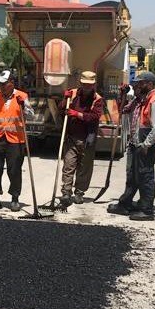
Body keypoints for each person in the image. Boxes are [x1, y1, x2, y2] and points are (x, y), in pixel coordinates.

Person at [107, 71, 155, 221]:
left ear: (150, 84)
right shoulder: (140, 100)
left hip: (145, 144)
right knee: (132, 176)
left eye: (141, 83)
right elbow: (123, 111)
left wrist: (146, 145)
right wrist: (122, 94)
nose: (137, 86)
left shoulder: (154, 102)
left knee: (145, 176)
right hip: (135, 143)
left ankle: (146, 210)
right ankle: (125, 204)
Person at [0, 70, 34, 212]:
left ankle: (15, 199)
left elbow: (31, 115)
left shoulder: (22, 96)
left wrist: (23, 105)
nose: (1, 86)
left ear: (12, 83)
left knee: (14, 170)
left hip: (16, 140)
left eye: (4, 83)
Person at [58, 70, 103, 208]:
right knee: (68, 165)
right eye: (84, 84)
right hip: (72, 136)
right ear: (81, 83)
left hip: (88, 138)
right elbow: (61, 110)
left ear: (94, 85)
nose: (87, 87)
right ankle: (66, 192)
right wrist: (65, 99)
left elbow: (94, 117)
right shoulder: (72, 94)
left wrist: (77, 114)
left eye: (89, 85)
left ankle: (79, 192)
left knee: (84, 168)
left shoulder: (98, 99)